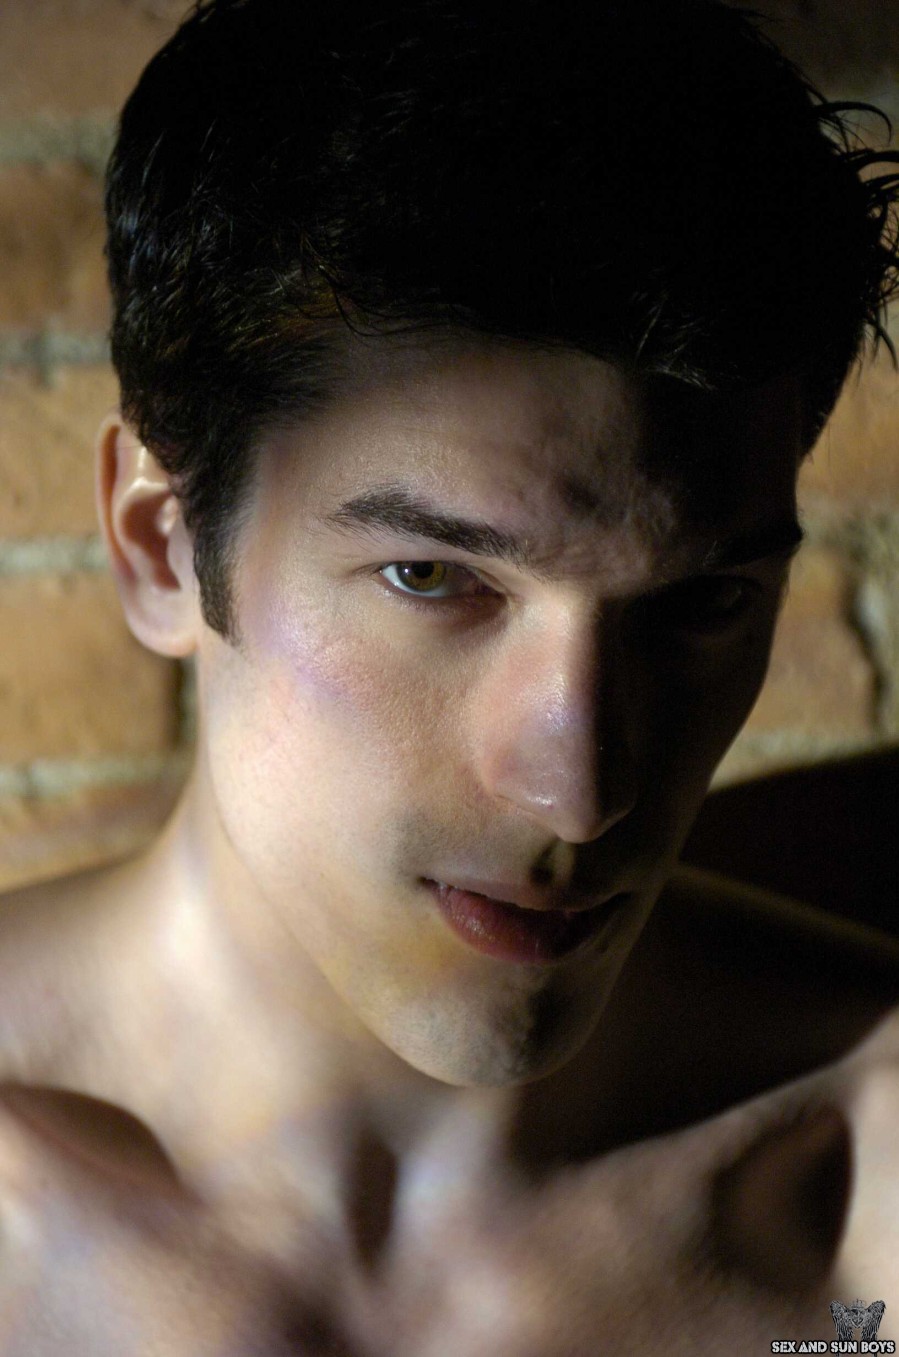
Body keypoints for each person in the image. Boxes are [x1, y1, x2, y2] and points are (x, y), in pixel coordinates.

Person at [1, 0, 898, 1351]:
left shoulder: (875, 1201)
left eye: (704, 602)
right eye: (433, 577)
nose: (581, 788)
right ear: (162, 547)